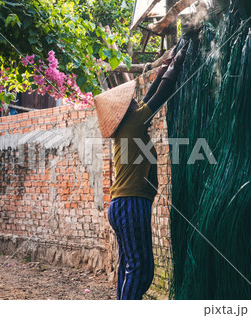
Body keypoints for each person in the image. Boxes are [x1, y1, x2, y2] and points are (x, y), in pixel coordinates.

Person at [94, 43, 188, 300]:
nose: (135, 99)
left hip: (121, 204)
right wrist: (179, 60)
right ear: (126, 110)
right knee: (141, 271)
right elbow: (161, 94)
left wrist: (165, 65)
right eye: (131, 100)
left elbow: (148, 97)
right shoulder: (134, 122)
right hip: (131, 203)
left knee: (130, 269)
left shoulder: (129, 123)